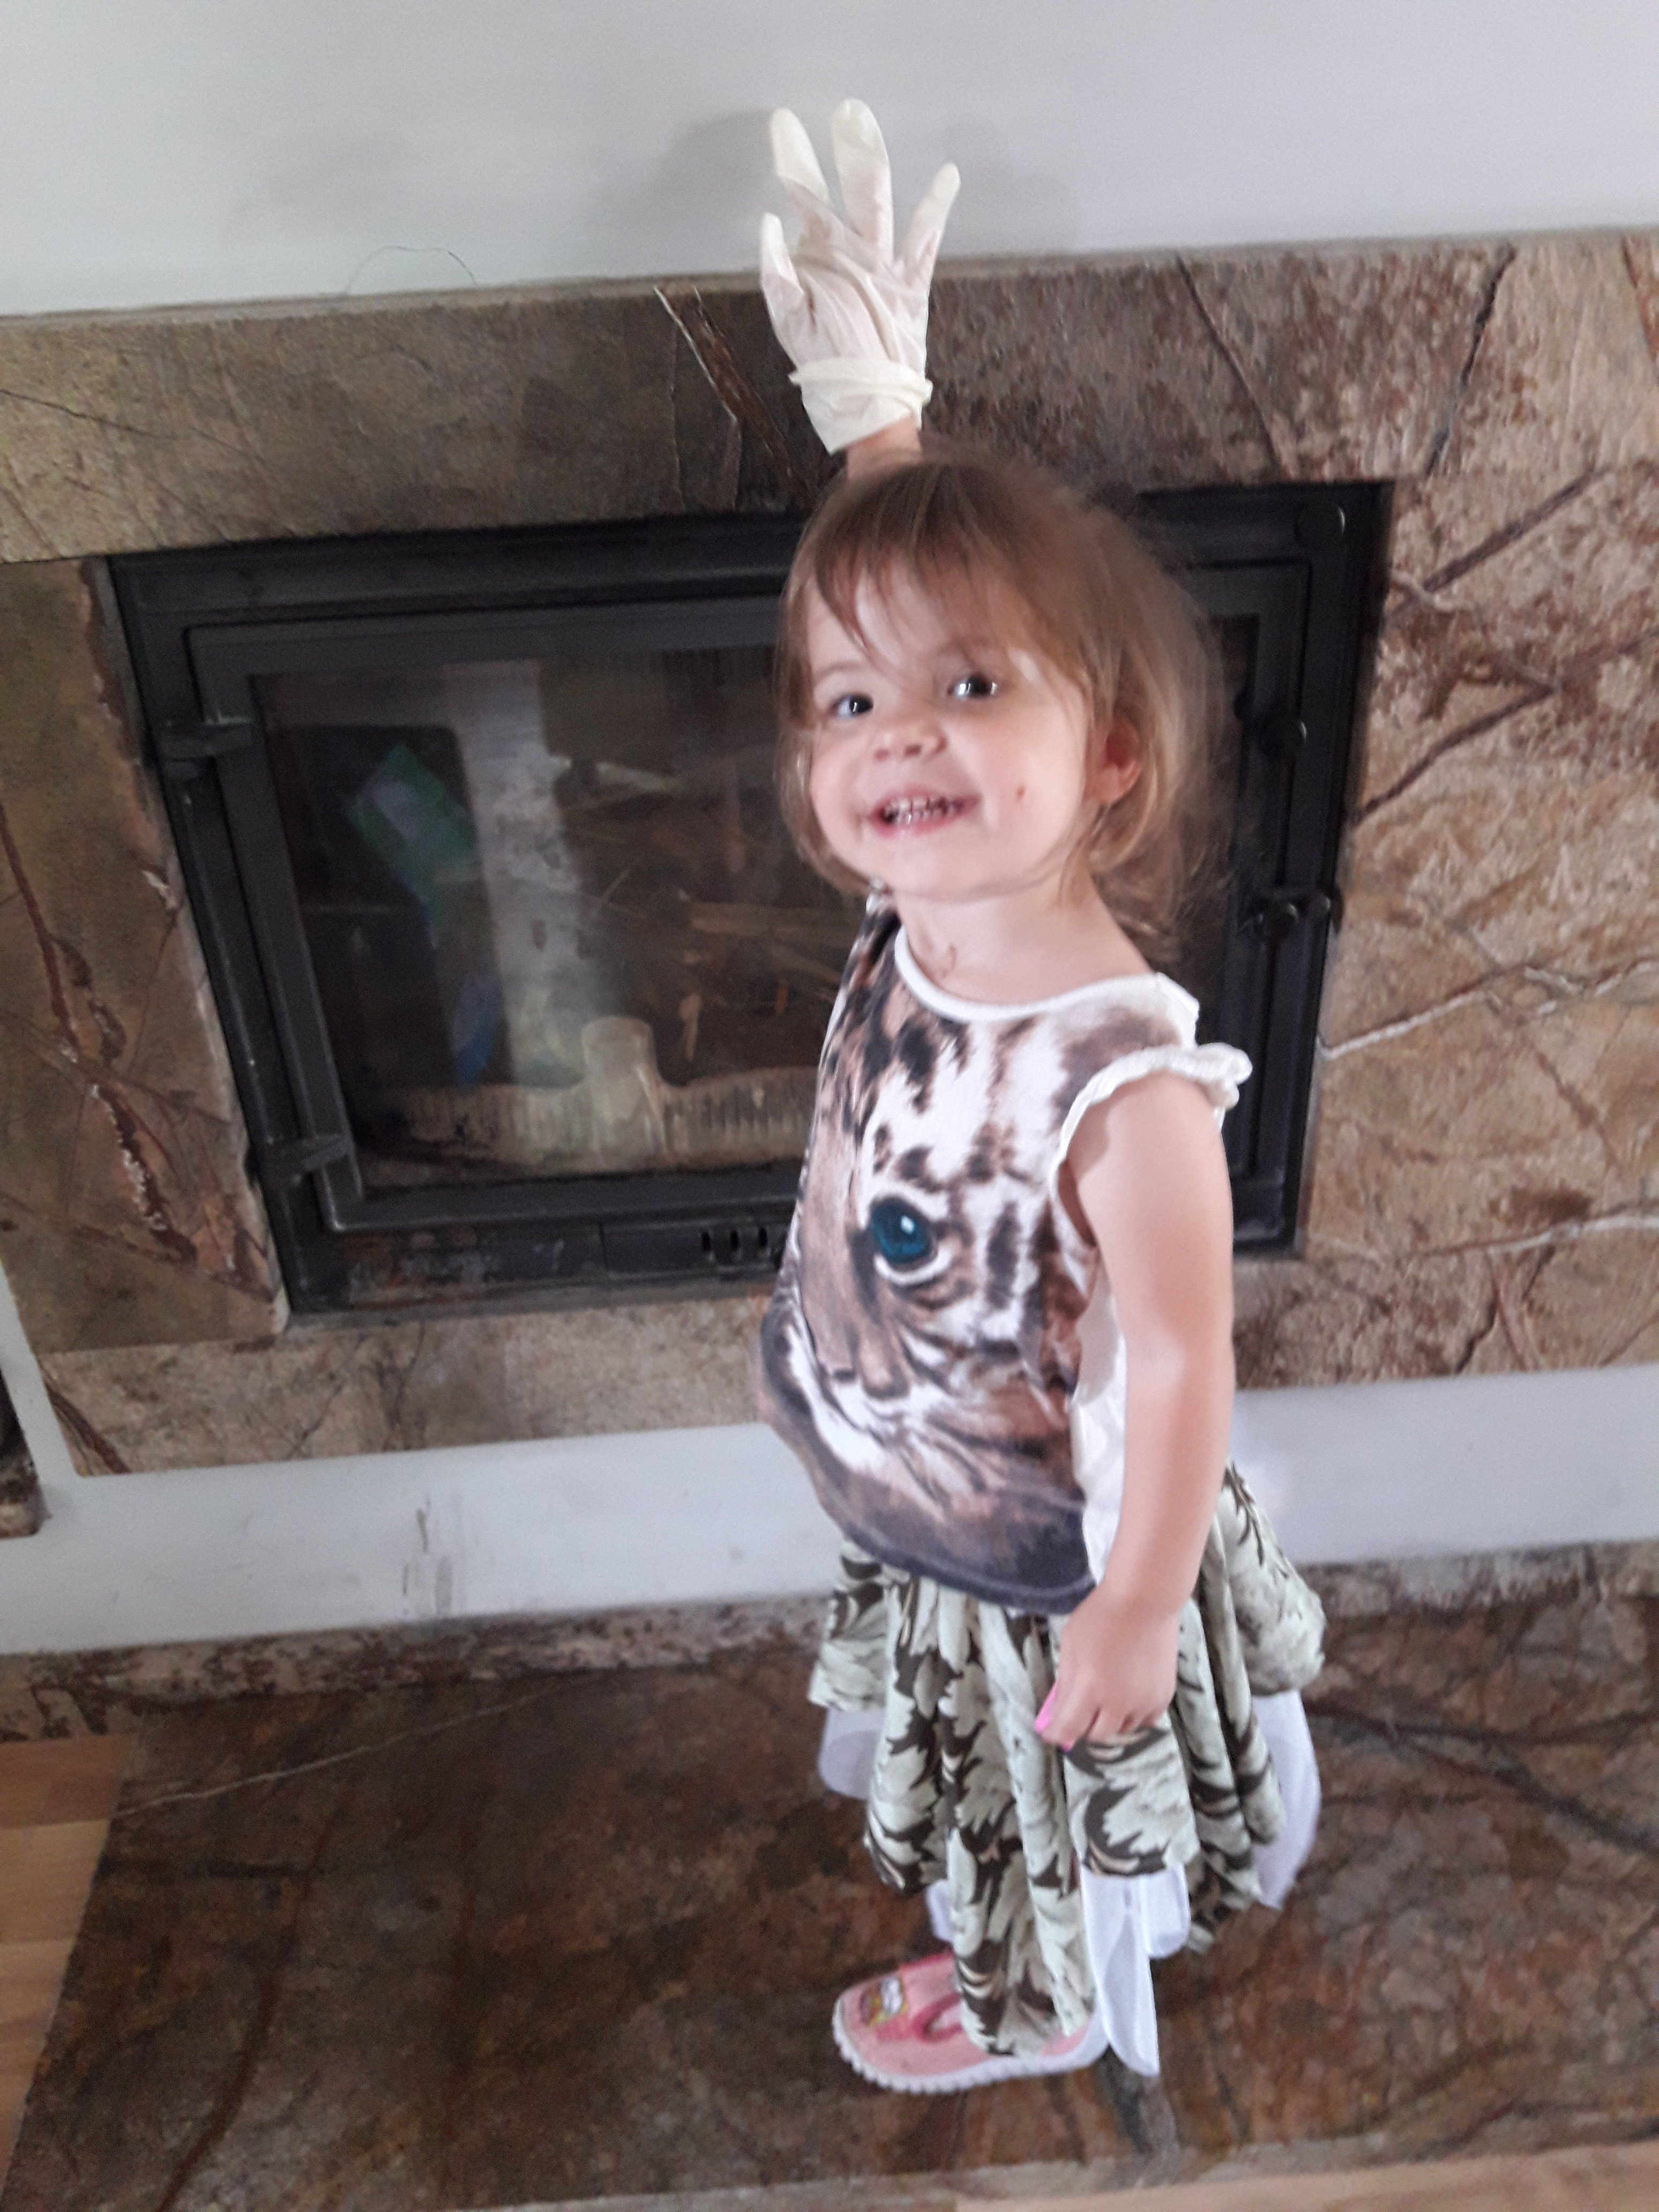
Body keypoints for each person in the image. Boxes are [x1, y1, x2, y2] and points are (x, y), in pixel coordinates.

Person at [753, 102, 1325, 2093]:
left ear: (1114, 758)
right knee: (964, 1775)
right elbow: (910, 616)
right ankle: (1012, 1941)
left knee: (1047, 1797)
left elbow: (1179, 1360)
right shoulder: (926, 901)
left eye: (973, 691)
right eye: (851, 706)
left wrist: (1140, 1610)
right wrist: (877, 427)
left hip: (1057, 1566)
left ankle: (1055, 1996)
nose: (899, 735)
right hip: (930, 1497)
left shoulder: (1124, 1086)